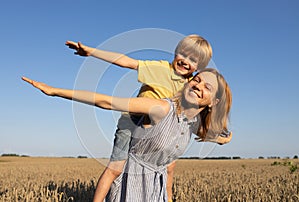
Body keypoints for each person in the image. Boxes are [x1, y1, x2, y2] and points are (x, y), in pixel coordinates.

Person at [22, 67, 232, 201]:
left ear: (214, 102)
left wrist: (223, 139)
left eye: (207, 86)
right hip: (130, 185)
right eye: (197, 79)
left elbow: (204, 133)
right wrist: (55, 91)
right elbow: (106, 101)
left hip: (155, 192)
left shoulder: (191, 123)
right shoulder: (161, 108)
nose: (198, 85)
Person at [65, 35, 231, 201]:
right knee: (115, 169)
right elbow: (126, 62)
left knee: (169, 168)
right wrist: (92, 52)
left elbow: (190, 121)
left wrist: (216, 138)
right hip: (133, 121)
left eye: (193, 60)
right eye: (183, 54)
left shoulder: (192, 83)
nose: (185, 61)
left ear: (199, 67)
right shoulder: (160, 69)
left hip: (161, 129)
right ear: (175, 52)